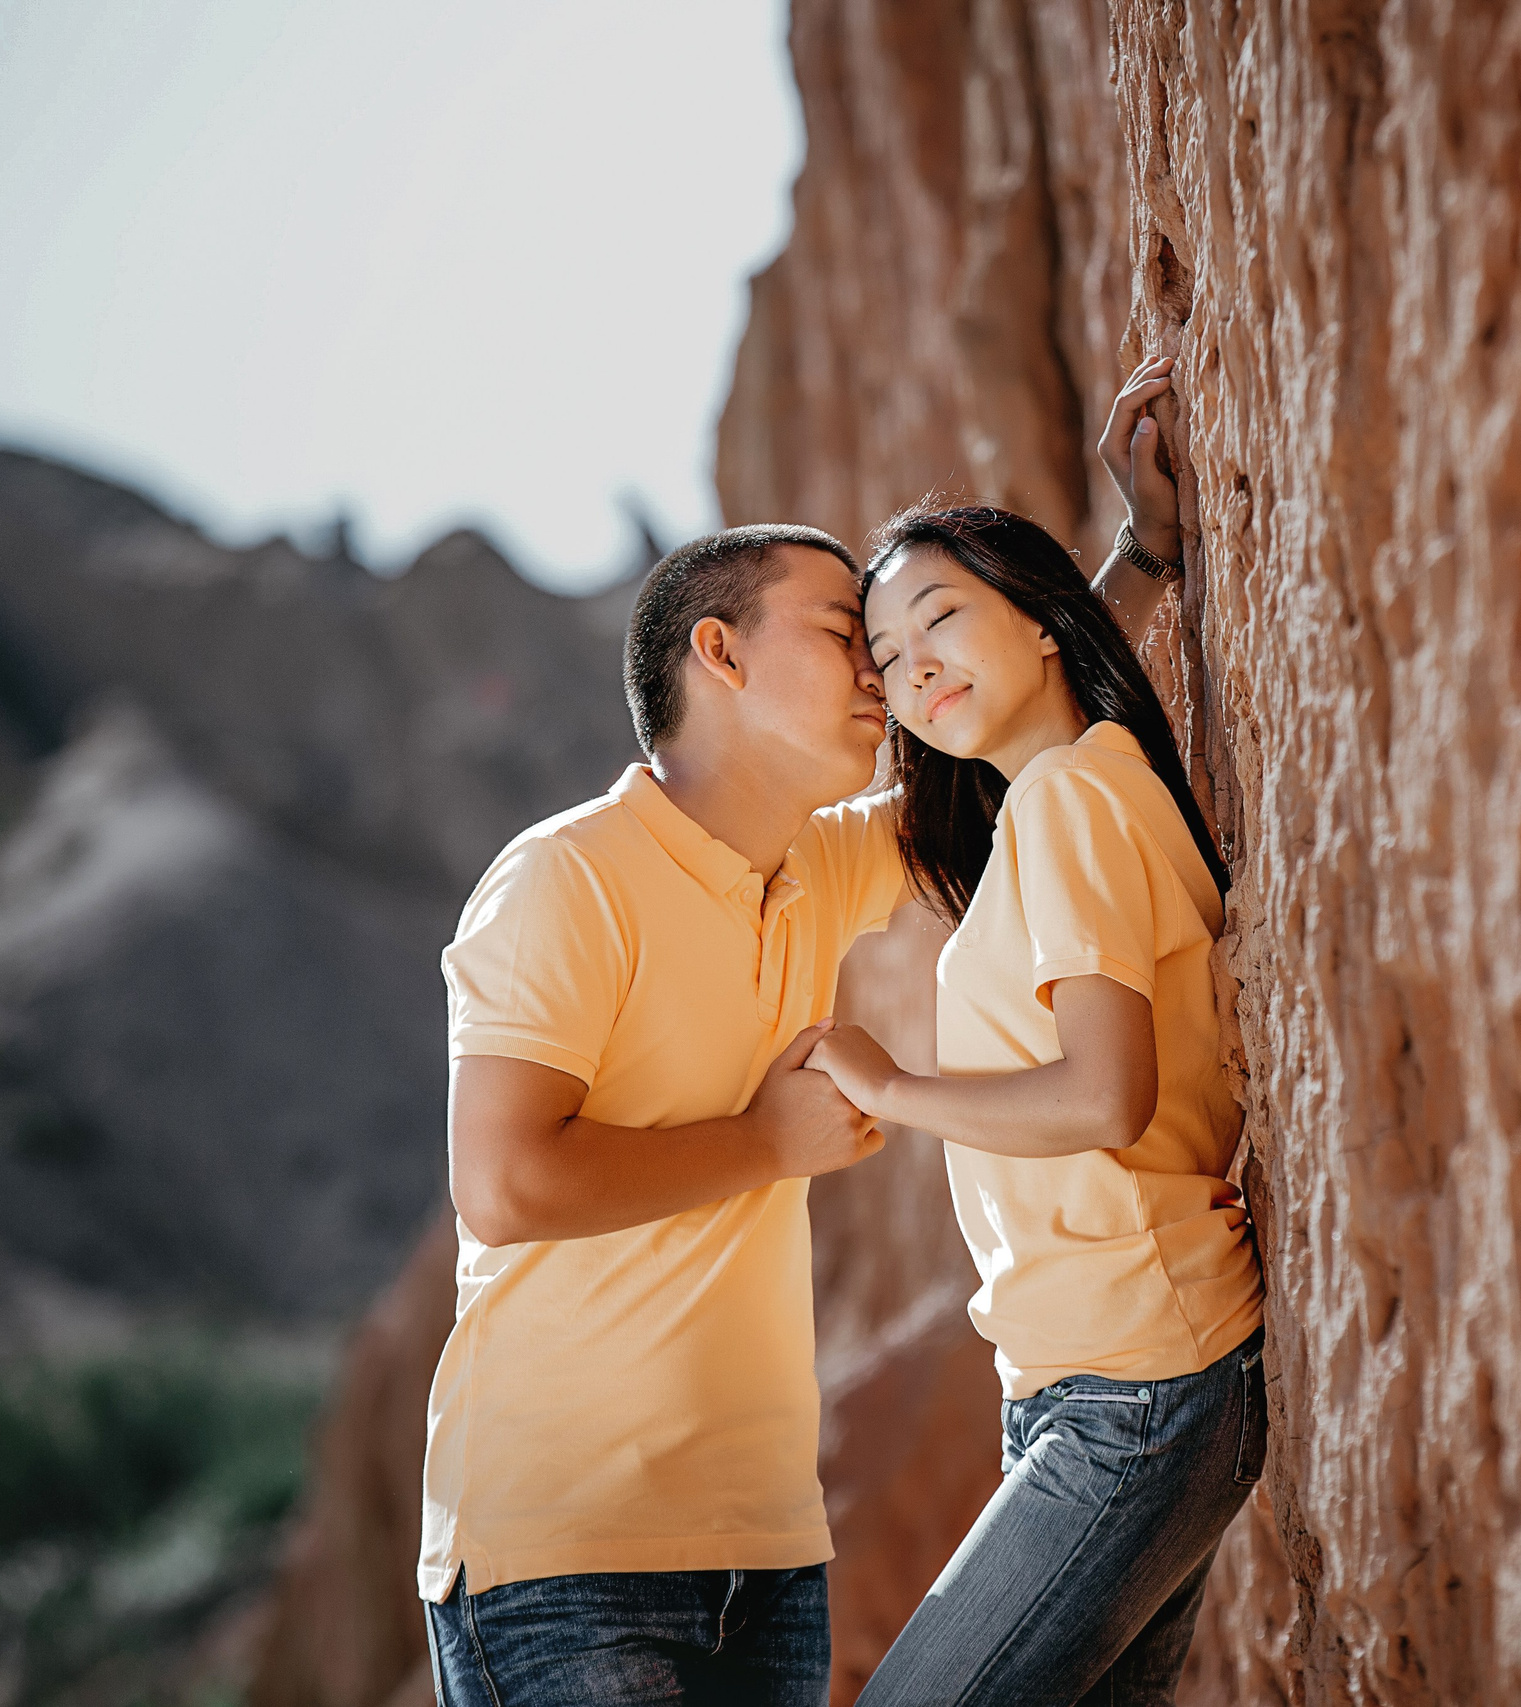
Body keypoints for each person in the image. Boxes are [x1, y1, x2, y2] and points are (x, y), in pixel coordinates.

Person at [419, 359, 1186, 1705]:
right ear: (720, 654)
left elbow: (1005, 722)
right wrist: (765, 1139)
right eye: (846, 636)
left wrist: (1138, 558)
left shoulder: (814, 867)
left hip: (766, 1562)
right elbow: (505, 1182)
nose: (886, 673)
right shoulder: (566, 877)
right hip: (560, 1565)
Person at [804, 382, 1264, 1706]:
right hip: (1104, 1383)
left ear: (1041, 620)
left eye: (940, 618)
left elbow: (1105, 1094)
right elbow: (1042, 667)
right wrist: (1147, 557)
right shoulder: (1076, 793)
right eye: (887, 661)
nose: (917, 670)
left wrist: (894, 1085)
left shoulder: (1068, 803)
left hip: (1137, 1389)